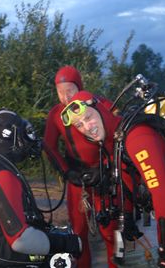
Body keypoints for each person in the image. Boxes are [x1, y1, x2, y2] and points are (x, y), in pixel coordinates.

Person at [61, 90, 165, 267]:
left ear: (102, 110)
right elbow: (126, 179)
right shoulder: (115, 141)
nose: (87, 128)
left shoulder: (137, 138)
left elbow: (163, 196)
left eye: (88, 117)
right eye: (79, 125)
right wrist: (126, 215)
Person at [0, 109, 82, 267]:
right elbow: (21, 240)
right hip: (0, 261)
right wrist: (67, 243)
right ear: (12, 139)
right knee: (65, 260)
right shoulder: (1, 175)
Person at [43, 66, 120, 268]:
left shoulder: (100, 104)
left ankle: (117, 264)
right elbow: (49, 146)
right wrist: (67, 172)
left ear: (80, 87)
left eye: (70, 90)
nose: (66, 97)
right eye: (60, 92)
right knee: (78, 232)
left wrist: (107, 168)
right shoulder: (56, 114)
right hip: (78, 180)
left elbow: (117, 137)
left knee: (112, 232)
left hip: (105, 177)